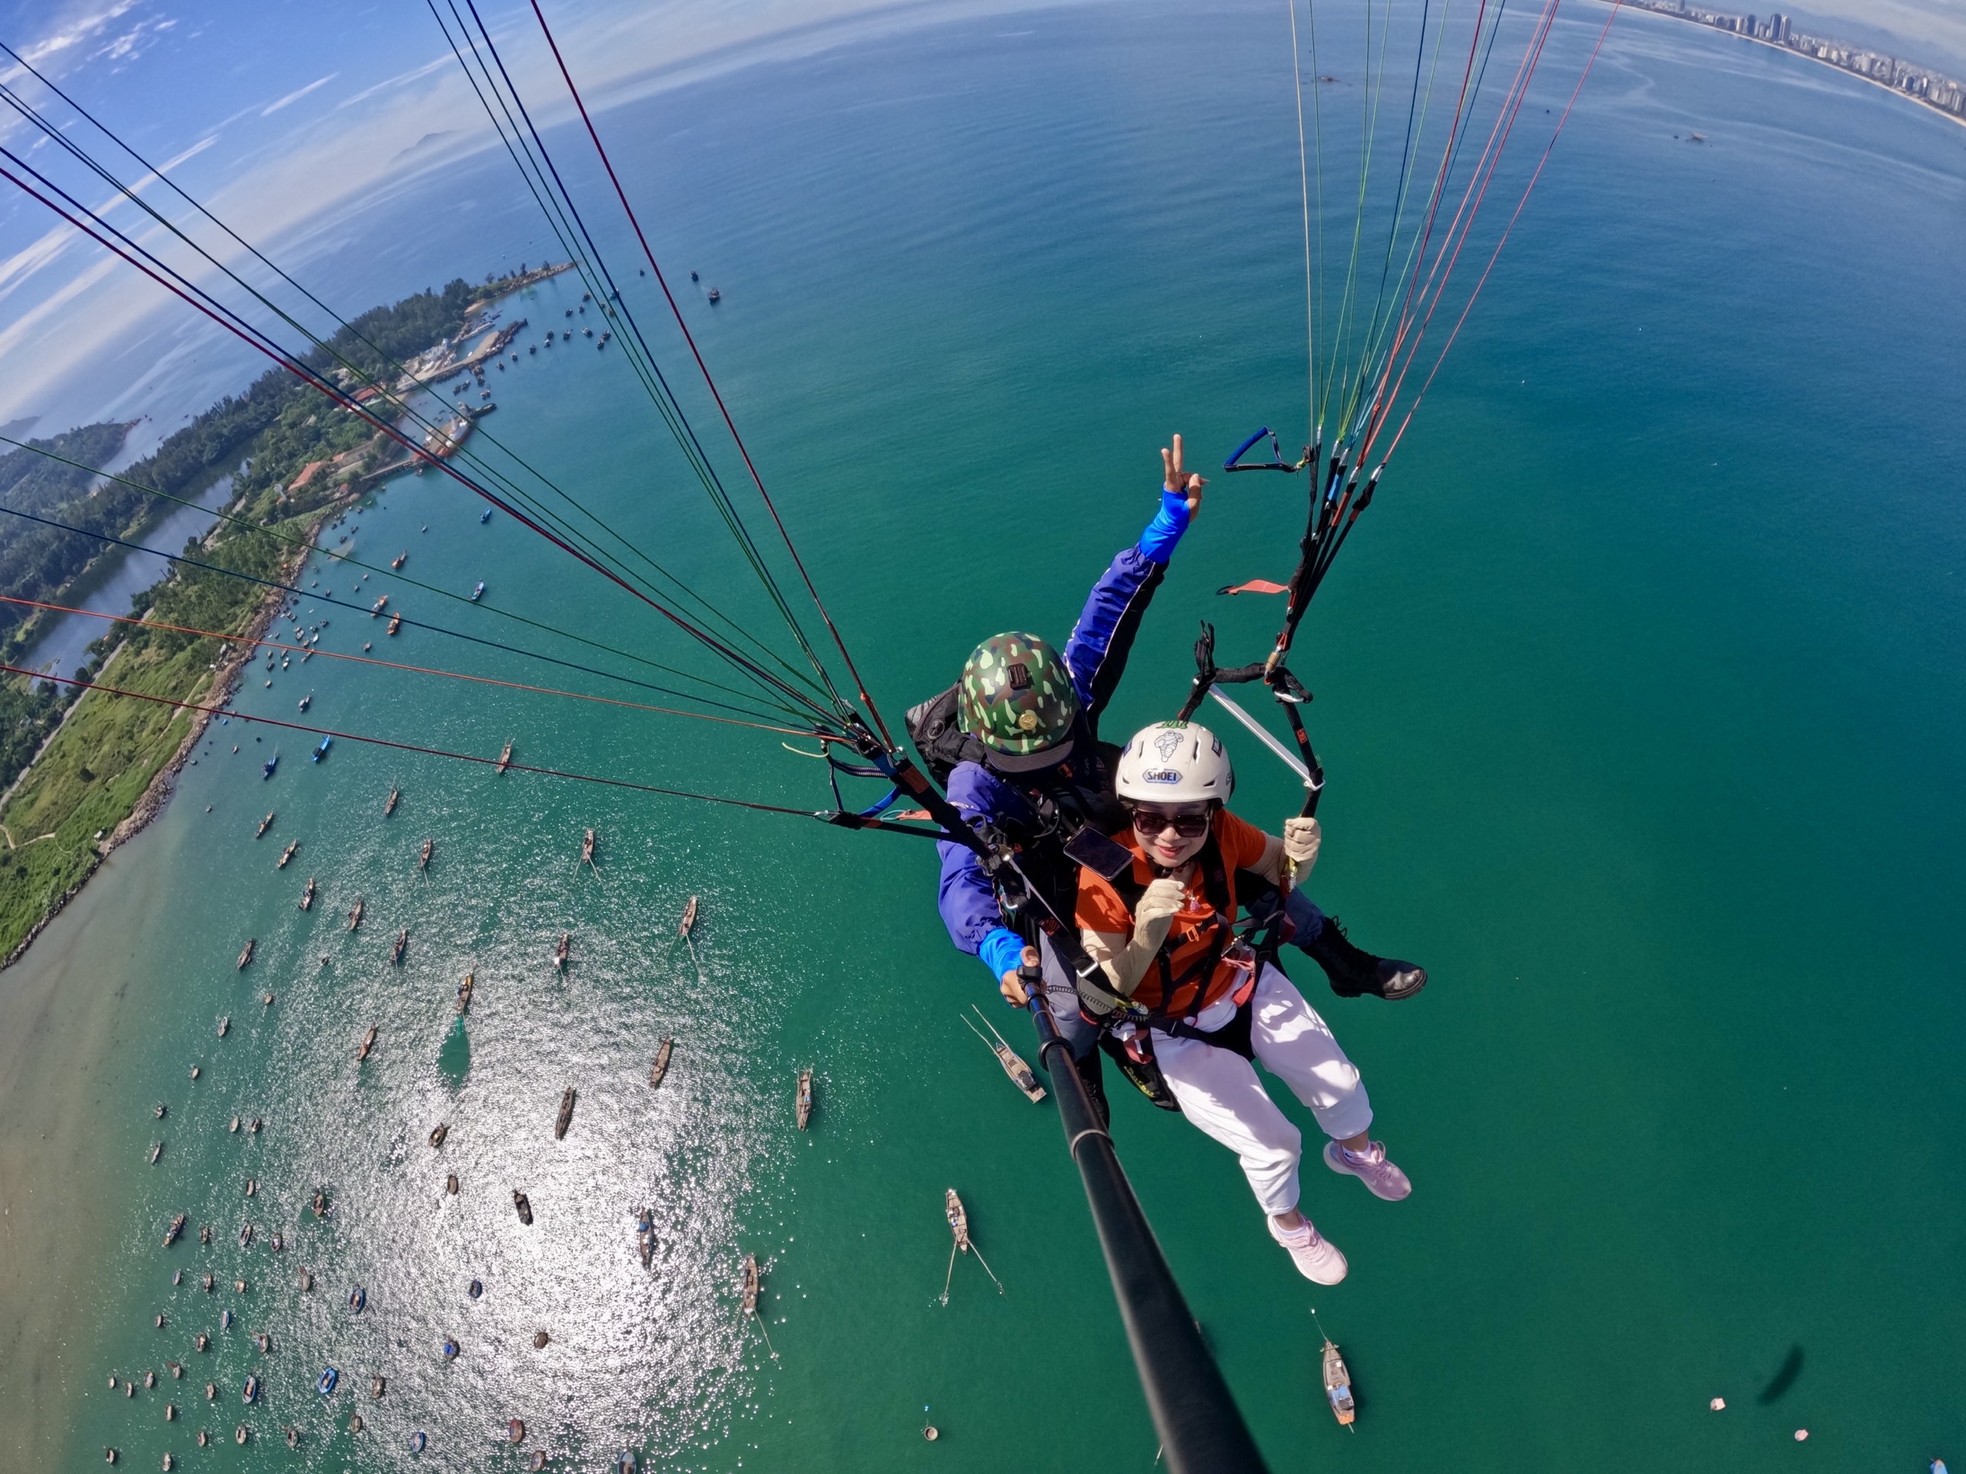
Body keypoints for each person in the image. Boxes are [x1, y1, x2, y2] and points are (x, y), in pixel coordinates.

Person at [928, 440, 1425, 1110]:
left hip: (1112, 820)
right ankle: (1085, 1070)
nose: (1047, 760)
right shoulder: (971, 785)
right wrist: (993, 946)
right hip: (1055, 872)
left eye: (1053, 745)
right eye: (1029, 762)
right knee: (1068, 992)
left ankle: (1339, 958)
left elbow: (1107, 616)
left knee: (1241, 867)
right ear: (989, 749)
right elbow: (958, 878)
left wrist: (1166, 522)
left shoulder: (1069, 696)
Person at [1075, 719, 1411, 1285]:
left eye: (1189, 819)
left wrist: (1303, 855)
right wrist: (1145, 936)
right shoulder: (1102, 878)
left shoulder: (1226, 834)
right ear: (1130, 810)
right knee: (1275, 1147)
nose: (1170, 835)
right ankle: (1288, 1224)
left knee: (1342, 1085)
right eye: (1150, 818)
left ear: (1213, 811)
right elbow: (1102, 994)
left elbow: (1279, 870)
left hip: (1237, 981)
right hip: (1172, 1027)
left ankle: (1354, 1152)